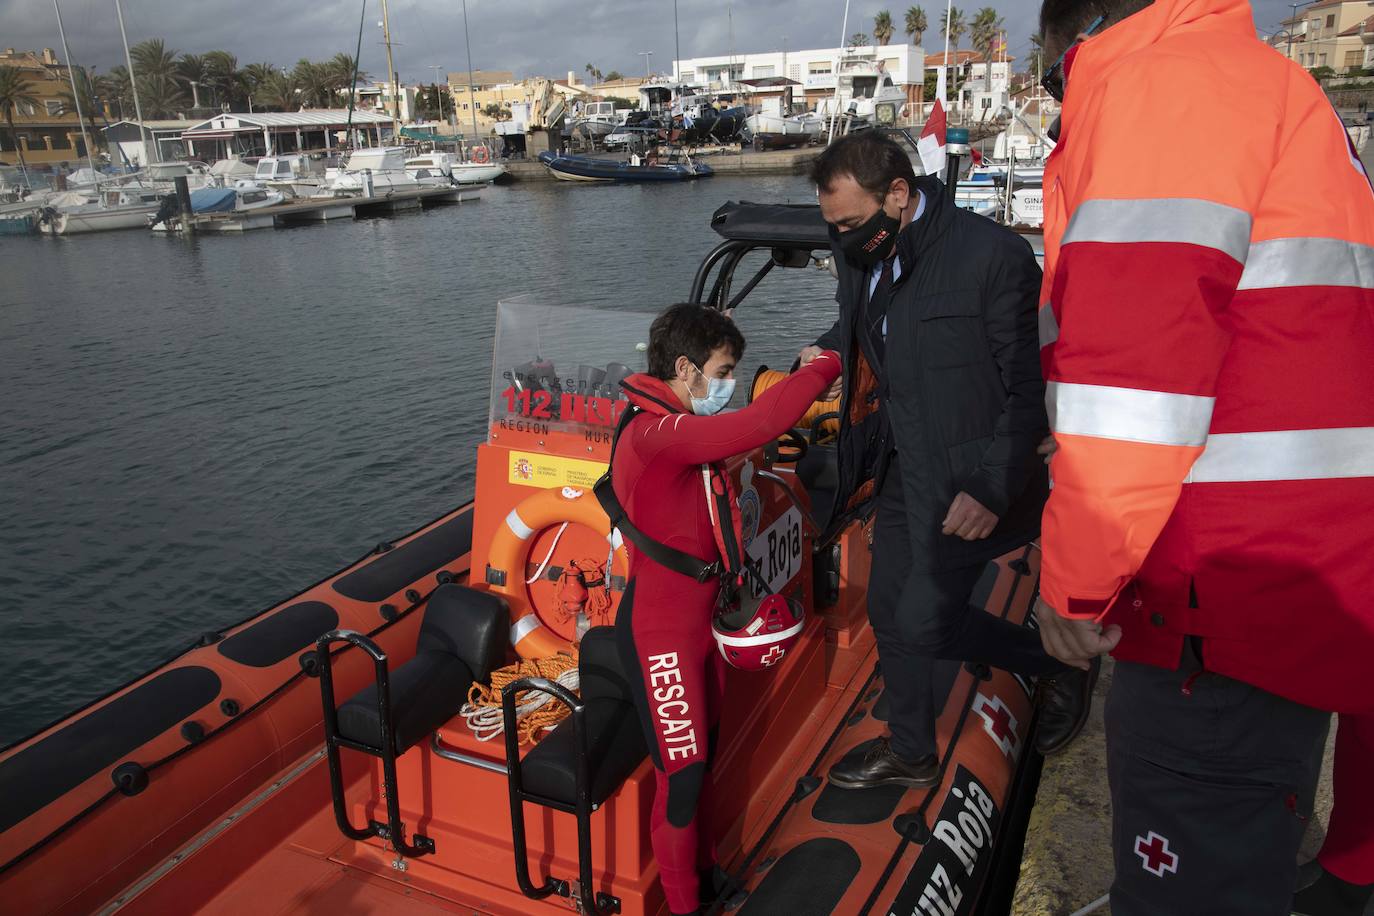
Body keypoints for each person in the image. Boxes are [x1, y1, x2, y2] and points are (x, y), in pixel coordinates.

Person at [1033, 0, 1374, 912]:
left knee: (1187, 877)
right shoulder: (1267, 85)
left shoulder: (1163, 86)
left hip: (1214, 600)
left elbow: (1132, 384)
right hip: (1294, 576)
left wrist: (1073, 588)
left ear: (1083, 34)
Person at [799, 131, 1096, 793]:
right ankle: (911, 751)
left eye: (849, 223)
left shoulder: (992, 258)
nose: (842, 239)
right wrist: (820, 352)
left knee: (925, 619)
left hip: (979, 477)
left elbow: (1026, 391)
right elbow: (863, 321)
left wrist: (991, 487)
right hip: (906, 465)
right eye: (833, 227)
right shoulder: (862, 250)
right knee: (886, 607)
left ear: (898, 195)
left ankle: (1055, 662)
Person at [607, 303, 841, 916]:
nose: (726, 384)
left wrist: (791, 370)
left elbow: (734, 434)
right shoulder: (655, 435)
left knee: (701, 763)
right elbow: (759, 423)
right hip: (661, 633)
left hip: (698, 625)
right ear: (685, 368)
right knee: (680, 780)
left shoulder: (670, 416)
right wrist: (829, 365)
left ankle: (706, 879)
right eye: (722, 371)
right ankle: (685, 907)